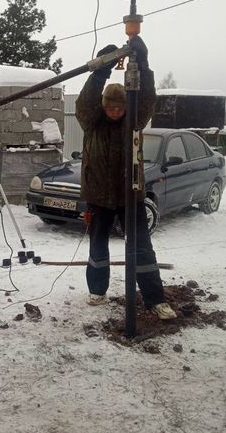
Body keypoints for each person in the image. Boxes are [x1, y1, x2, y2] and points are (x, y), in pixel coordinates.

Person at [75, 37, 177, 320]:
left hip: (130, 196)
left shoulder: (134, 121)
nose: (116, 112)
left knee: (142, 248)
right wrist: (100, 71)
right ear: (104, 106)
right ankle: (97, 290)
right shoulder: (91, 122)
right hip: (98, 197)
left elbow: (146, 99)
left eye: (120, 107)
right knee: (98, 247)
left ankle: (155, 299)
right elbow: (85, 102)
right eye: (111, 107)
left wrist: (143, 64)